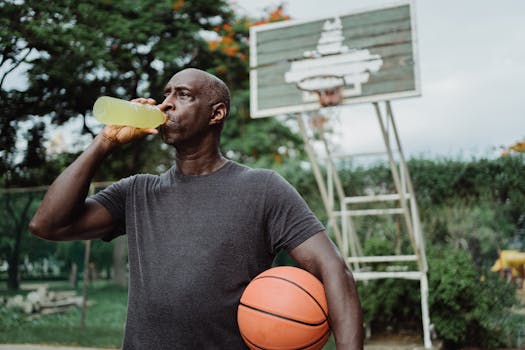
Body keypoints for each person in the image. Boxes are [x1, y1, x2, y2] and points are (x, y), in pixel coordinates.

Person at [29, 68, 363, 349]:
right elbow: (47, 225)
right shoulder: (137, 192)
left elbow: (333, 270)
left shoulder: (263, 189)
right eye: (166, 94)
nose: (166, 104)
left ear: (216, 113)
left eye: (183, 95)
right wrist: (104, 143)